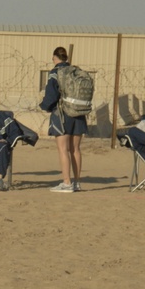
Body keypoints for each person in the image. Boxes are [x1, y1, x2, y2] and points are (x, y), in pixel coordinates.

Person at [40, 46, 86, 192]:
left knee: (63, 149)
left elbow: (52, 94)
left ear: (55, 57)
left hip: (62, 113)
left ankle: (66, 183)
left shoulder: (55, 72)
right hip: (79, 113)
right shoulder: (76, 71)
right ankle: (77, 182)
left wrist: (45, 106)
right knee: (75, 149)